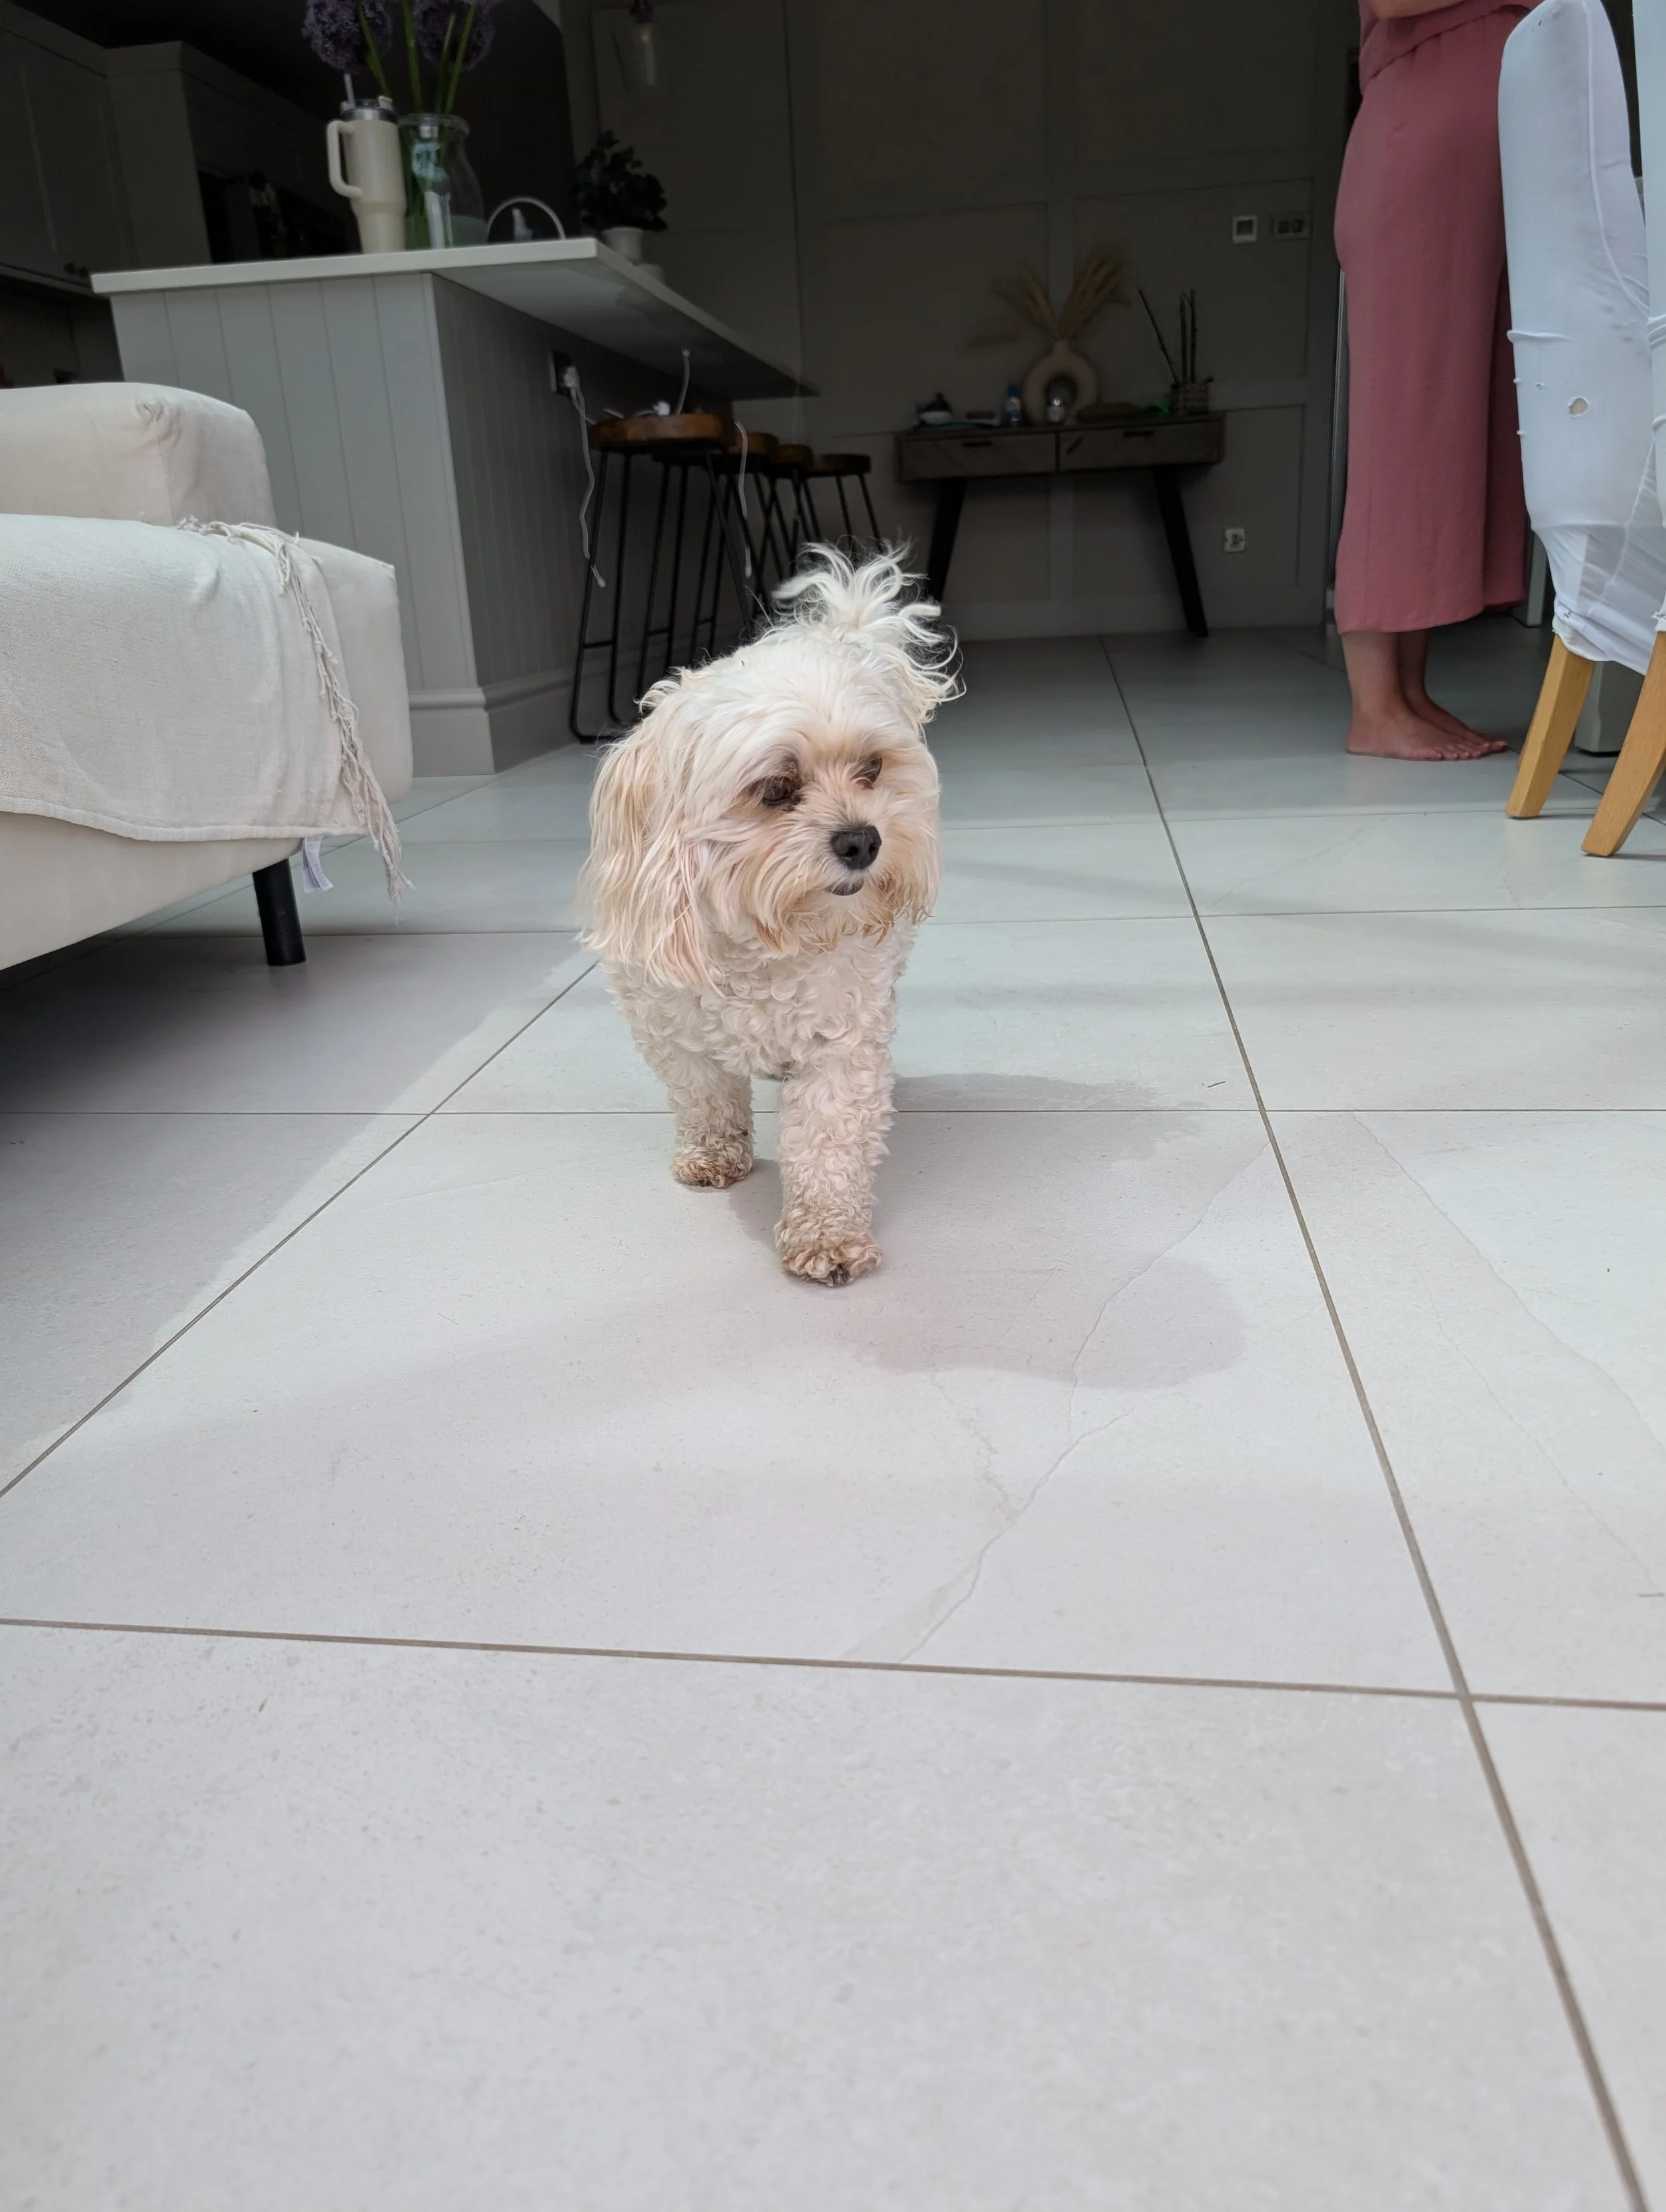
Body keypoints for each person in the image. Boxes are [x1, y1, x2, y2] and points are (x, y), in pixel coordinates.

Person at [1333, 0, 1531, 759]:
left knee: (1444, 432)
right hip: (1417, 154)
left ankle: (1407, 694)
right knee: (1403, 429)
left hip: (1468, 159)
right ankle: (1374, 708)